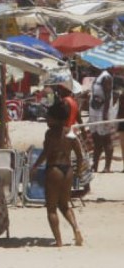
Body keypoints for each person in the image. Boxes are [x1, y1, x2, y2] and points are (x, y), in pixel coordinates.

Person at [30, 99, 84, 247]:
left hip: (54, 169)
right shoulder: (70, 134)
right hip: (68, 170)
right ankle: (76, 228)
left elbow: (46, 153)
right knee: (65, 205)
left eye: (49, 117)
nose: (47, 119)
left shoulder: (50, 134)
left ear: (56, 119)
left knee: (51, 208)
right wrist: (78, 171)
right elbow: (80, 155)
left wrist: (35, 166)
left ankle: (59, 241)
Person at [89, 69, 114, 173]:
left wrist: (105, 114)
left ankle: (107, 167)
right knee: (96, 138)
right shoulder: (97, 77)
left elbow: (107, 97)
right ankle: (95, 165)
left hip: (102, 112)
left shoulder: (106, 77)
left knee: (105, 139)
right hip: (94, 111)